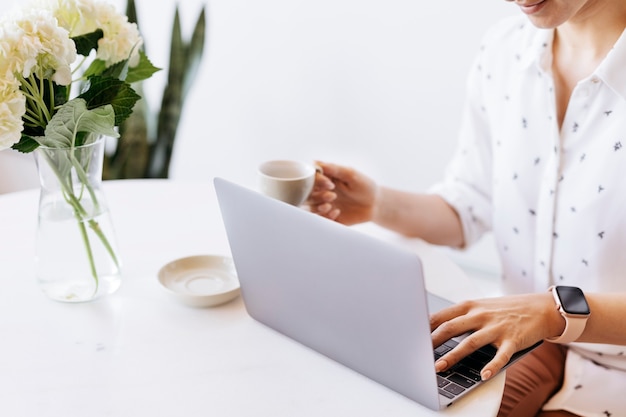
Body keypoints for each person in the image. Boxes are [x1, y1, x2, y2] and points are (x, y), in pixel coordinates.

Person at [307, 0, 626, 416]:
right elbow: (469, 204)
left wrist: (554, 311)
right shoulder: (504, 52)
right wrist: (378, 204)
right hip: (521, 343)